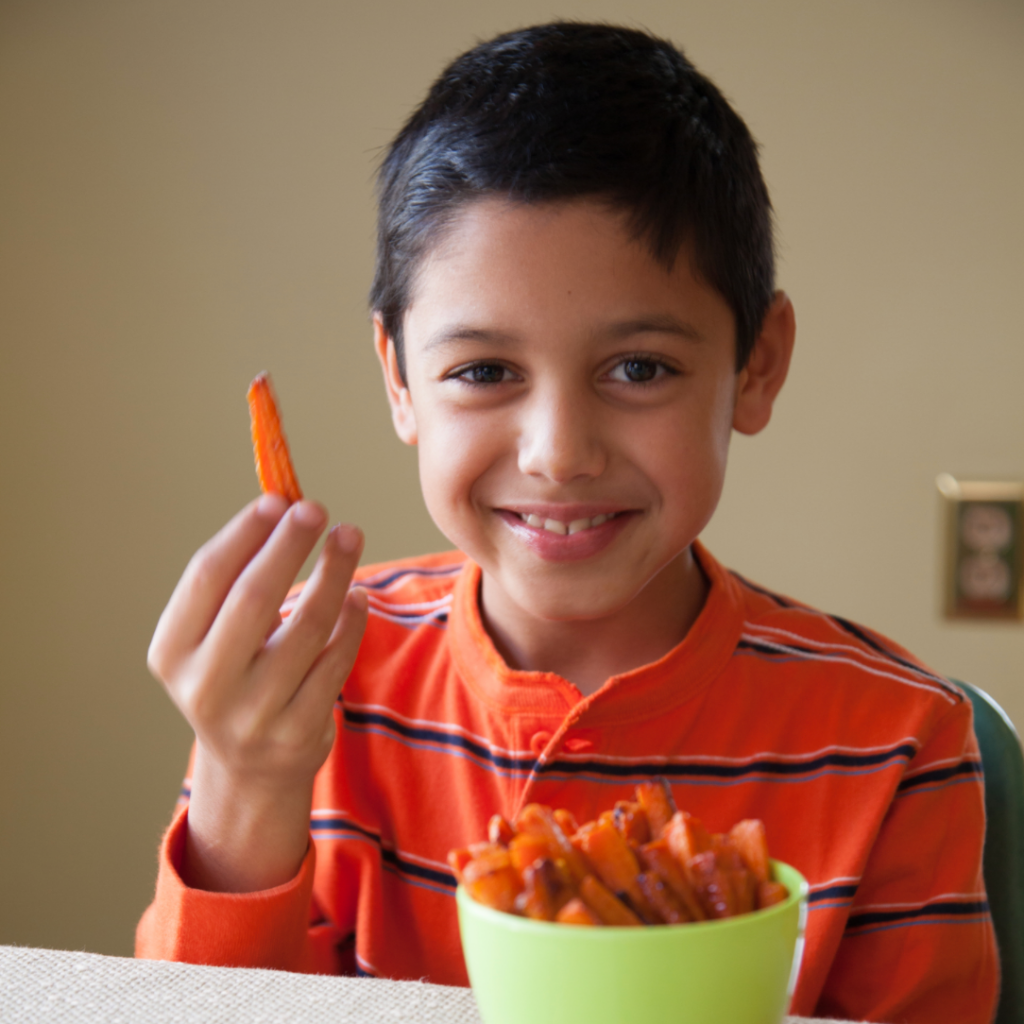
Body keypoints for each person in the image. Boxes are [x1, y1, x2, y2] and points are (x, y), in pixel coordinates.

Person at [136, 22, 998, 1023]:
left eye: (638, 368)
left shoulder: (897, 740)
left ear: (755, 367)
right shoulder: (298, 688)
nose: (558, 451)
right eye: (484, 371)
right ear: (399, 378)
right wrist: (248, 777)